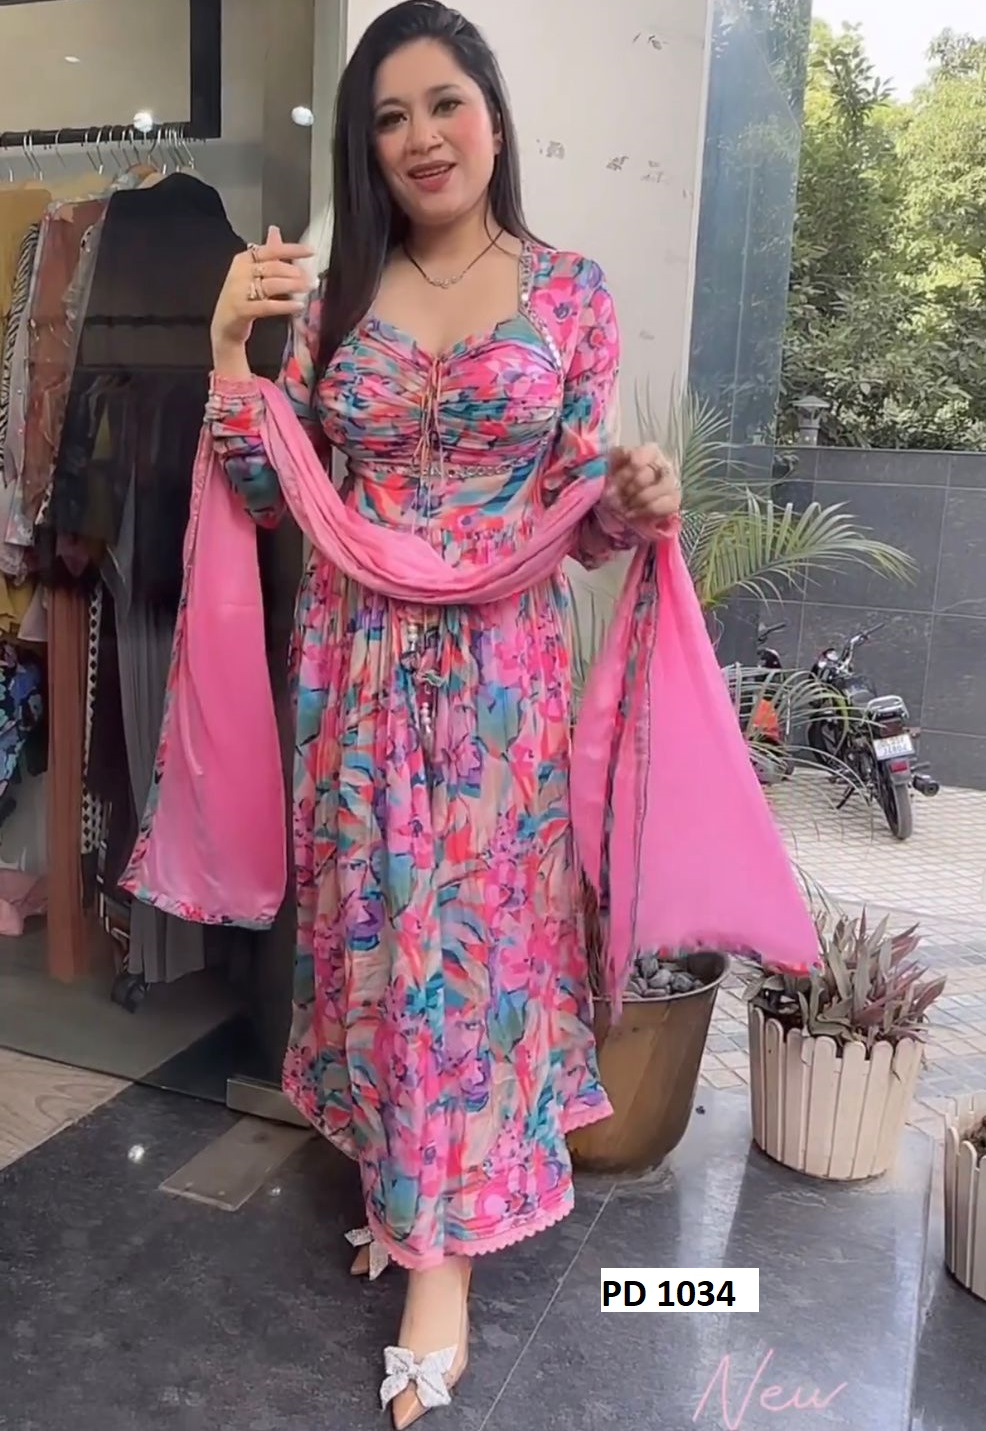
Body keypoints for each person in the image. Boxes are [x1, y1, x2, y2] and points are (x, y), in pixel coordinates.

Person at [206, 1, 681, 1422]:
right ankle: (404, 1186)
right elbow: (268, 489)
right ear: (366, 147)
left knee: (468, 956)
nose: (421, 137)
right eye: (389, 117)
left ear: (492, 114)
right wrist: (229, 354)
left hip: (494, 681)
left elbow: (579, 515)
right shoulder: (339, 298)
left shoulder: (570, 293)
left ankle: (441, 1259)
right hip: (352, 669)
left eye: (444, 103)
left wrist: (631, 501)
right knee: (375, 933)